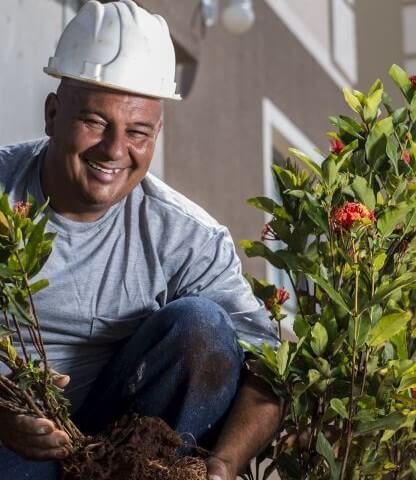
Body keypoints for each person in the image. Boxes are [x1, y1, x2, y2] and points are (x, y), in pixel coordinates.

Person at [0, 1, 281, 479]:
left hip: (115, 442)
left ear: (157, 133)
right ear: (52, 114)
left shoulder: (187, 237)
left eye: (137, 132)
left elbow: (269, 372)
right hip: (12, 439)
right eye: (94, 121)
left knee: (203, 326)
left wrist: (224, 465)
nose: (114, 150)